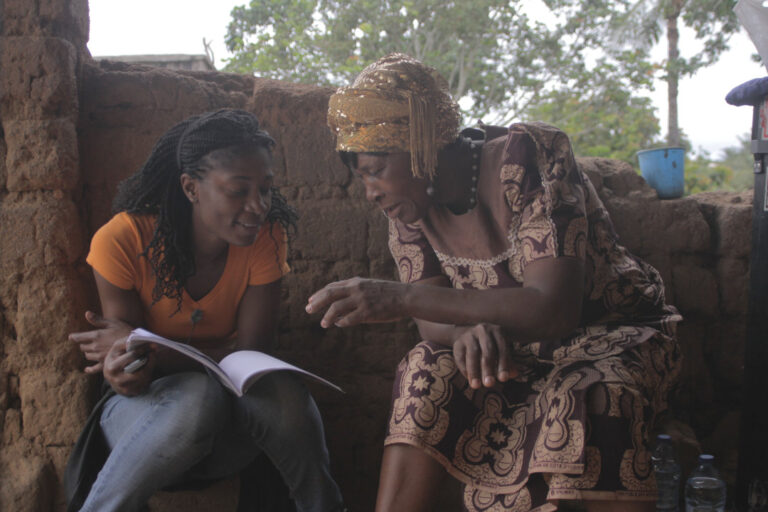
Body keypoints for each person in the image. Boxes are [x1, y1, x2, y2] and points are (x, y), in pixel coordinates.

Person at [307, 54, 682, 512]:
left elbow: (553, 309)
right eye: (362, 176)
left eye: (375, 170)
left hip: (608, 335)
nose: (371, 192)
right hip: (510, 347)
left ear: (421, 146)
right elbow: (432, 323)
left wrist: (400, 297)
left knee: (598, 395)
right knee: (426, 368)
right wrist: (465, 331)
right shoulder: (410, 207)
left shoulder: (529, 159)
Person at [66, 109, 345, 512]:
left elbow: (252, 359)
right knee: (195, 399)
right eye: (238, 190)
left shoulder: (266, 237)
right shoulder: (124, 239)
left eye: (266, 188)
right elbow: (133, 369)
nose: (259, 206)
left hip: (227, 423)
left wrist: (157, 352)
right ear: (191, 188)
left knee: (283, 392)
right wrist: (124, 366)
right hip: (145, 417)